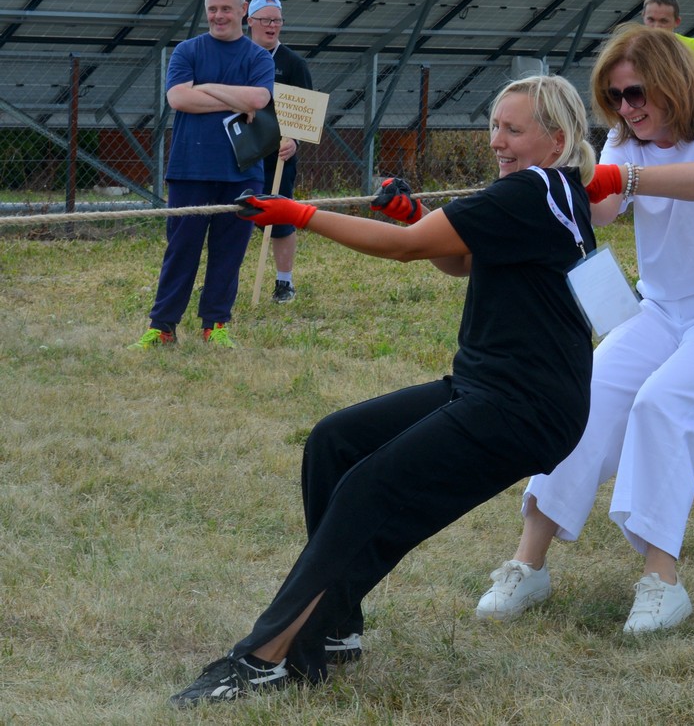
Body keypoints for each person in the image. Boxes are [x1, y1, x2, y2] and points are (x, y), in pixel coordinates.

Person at [169, 74, 598, 706]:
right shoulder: (545, 190)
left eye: (513, 129)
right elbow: (461, 259)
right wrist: (417, 216)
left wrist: (302, 215)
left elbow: (405, 251)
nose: (496, 141)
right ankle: (334, 627)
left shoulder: (532, 189)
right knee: (336, 442)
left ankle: (263, 658)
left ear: (556, 140)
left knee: (369, 489)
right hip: (490, 385)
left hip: (524, 405)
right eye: (493, 127)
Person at [474, 25, 694, 633]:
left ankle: (662, 582)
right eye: (615, 97)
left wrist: (625, 178)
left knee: (660, 406)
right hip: (662, 309)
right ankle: (527, 564)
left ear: (671, 83)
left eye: (637, 92)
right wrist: (547, 177)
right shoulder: (623, 137)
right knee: (582, 398)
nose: (627, 107)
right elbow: (600, 210)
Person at [128, 0, 273, 350]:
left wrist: (204, 87)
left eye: (226, 9)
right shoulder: (187, 50)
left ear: (243, 11)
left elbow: (259, 98)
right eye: (212, 9)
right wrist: (234, 99)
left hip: (242, 172)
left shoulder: (258, 57)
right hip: (190, 168)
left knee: (229, 253)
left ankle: (216, 325)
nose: (218, 16)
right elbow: (178, 98)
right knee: (181, 250)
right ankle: (163, 327)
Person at [245, 0, 315, 304]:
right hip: (241, 153)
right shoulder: (238, 56)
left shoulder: (294, 64)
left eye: (277, 20)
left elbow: (306, 111)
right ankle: (221, 280)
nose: (271, 26)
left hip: (278, 157)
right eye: (265, 20)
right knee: (232, 215)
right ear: (250, 21)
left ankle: (284, 282)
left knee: (281, 218)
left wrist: (295, 140)